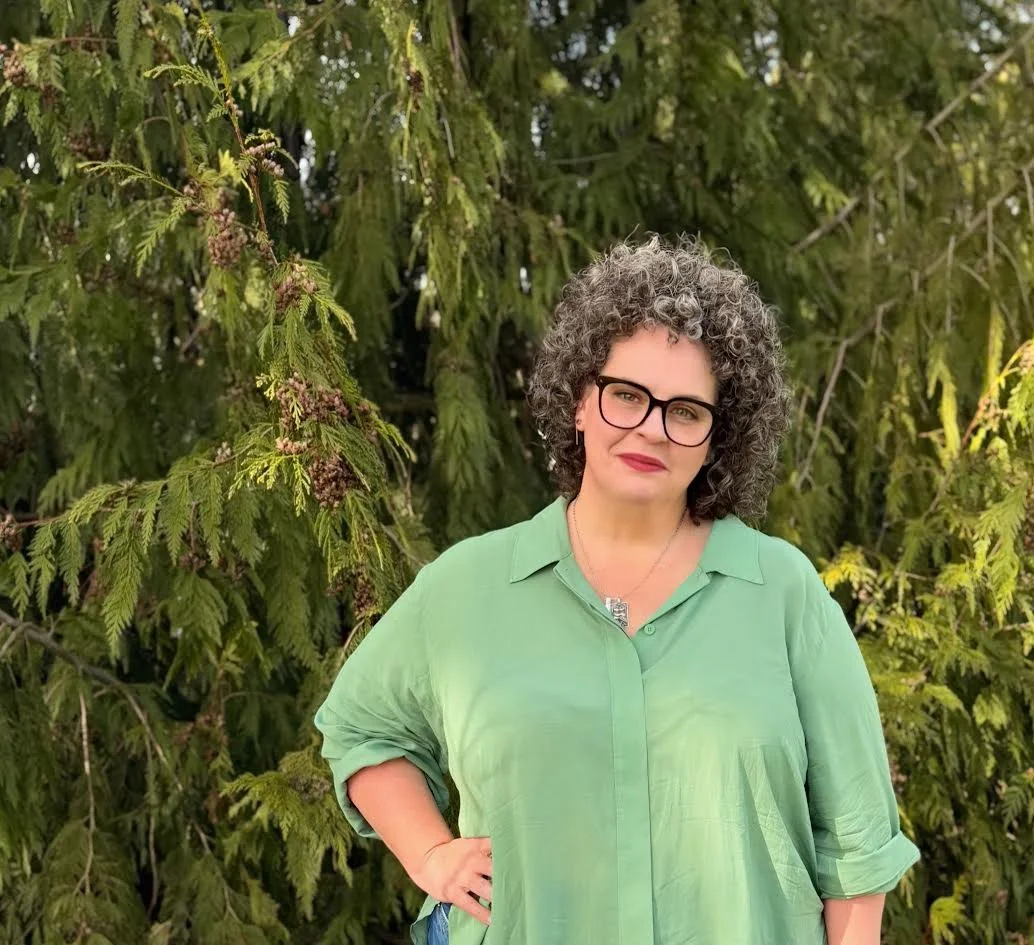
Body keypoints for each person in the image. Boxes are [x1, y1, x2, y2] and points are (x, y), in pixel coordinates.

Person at [314, 234, 921, 945]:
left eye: (686, 411)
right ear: (578, 400)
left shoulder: (784, 594)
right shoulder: (467, 588)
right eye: (626, 395)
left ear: (716, 438)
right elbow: (359, 729)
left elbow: (858, 849)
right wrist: (428, 852)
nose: (651, 429)